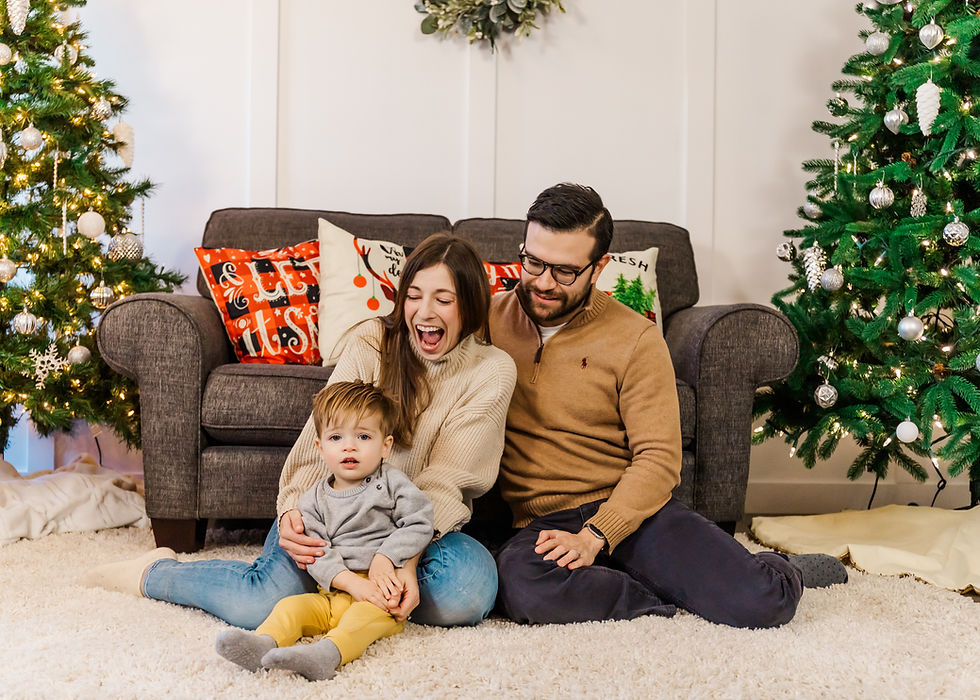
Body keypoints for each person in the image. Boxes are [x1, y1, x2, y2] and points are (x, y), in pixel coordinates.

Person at [82, 233, 517, 630]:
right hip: (330, 515)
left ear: (471, 306)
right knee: (261, 605)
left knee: (467, 593)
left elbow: (446, 482)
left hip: (411, 528)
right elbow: (319, 443)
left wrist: (401, 560)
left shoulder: (492, 370)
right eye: (415, 296)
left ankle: (342, 594)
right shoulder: (371, 342)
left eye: (444, 300)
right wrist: (293, 511)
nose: (424, 313)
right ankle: (158, 572)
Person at [489, 183, 847, 628]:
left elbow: (658, 458)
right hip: (542, 521)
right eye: (533, 262)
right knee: (521, 588)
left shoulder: (636, 338)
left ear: (598, 267)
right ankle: (650, 596)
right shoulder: (485, 320)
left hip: (633, 510)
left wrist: (598, 535)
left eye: (564, 272)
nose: (542, 282)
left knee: (762, 604)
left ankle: (784, 570)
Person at [215, 380, 433, 681]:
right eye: (336, 437)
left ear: (386, 445)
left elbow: (420, 521)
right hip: (334, 592)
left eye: (364, 436)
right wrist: (352, 585)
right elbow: (316, 552)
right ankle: (262, 644)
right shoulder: (313, 499)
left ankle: (326, 654)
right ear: (319, 447)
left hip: (381, 596)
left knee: (360, 620)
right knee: (291, 607)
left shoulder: (393, 483)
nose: (349, 446)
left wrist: (386, 557)